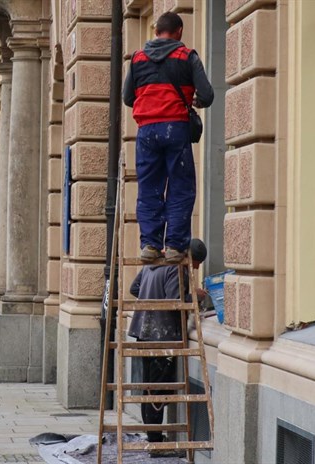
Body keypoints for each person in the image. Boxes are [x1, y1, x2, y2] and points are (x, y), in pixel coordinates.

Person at [123, 12, 214, 263]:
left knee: (149, 188)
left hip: (147, 132)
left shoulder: (138, 59)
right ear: (180, 31)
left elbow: (128, 98)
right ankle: (174, 246)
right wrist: (191, 99)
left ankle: (150, 245)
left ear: (155, 32)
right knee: (180, 188)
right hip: (176, 128)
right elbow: (207, 95)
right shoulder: (187, 57)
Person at [128, 239, 207, 455]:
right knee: (159, 389)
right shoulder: (176, 268)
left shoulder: (154, 263)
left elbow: (134, 288)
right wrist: (196, 297)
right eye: (197, 263)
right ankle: (156, 444)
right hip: (161, 335)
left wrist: (149, 299)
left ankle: (153, 436)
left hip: (144, 333)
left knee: (149, 387)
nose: (196, 269)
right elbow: (175, 301)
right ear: (189, 257)